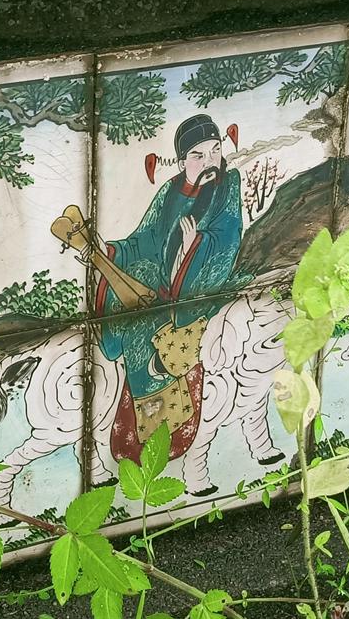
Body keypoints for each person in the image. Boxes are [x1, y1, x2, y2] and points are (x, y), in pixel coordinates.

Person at [95, 113, 243, 460]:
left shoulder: (228, 186)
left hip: (201, 289)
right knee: (137, 298)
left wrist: (196, 245)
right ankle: (143, 405)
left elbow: (229, 235)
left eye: (215, 150)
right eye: (198, 155)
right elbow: (145, 239)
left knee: (169, 334)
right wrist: (111, 252)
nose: (210, 161)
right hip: (162, 288)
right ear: (181, 162)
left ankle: (167, 409)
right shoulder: (169, 193)